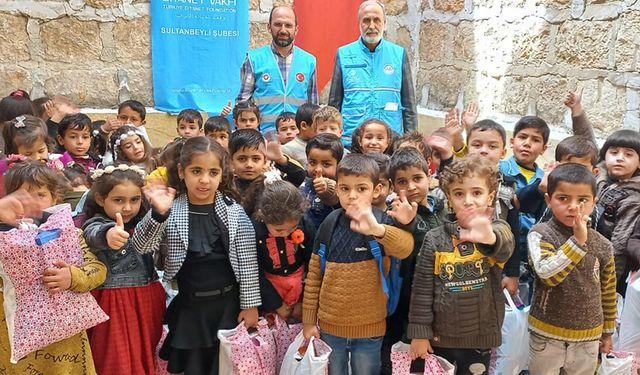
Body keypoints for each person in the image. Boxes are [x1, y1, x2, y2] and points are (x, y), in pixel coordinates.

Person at [133, 136, 261, 374]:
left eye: (213, 172)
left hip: (228, 307)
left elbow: (247, 263)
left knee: (223, 367)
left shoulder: (234, 213)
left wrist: (250, 305)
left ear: (222, 174)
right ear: (182, 172)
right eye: (196, 171)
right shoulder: (170, 209)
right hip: (190, 308)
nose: (204, 180)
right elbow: (141, 247)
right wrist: (159, 214)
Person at [302, 153, 414, 375]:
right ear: (337, 189)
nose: (352, 196)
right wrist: (308, 322)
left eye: (361, 188)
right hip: (330, 326)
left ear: (377, 190)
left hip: (370, 326)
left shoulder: (382, 221)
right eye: (345, 188)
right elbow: (314, 276)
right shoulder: (329, 223)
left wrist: (377, 230)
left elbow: (405, 248)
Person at [408, 155, 514, 375]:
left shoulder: (497, 231)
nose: (468, 200)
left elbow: (504, 245)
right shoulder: (435, 238)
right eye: (459, 193)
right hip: (439, 338)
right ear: (449, 198)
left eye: (476, 193)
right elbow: (422, 291)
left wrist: (488, 237)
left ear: (490, 197)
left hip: (479, 339)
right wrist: (419, 333)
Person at [0, 161, 106, 374]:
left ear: (55, 197)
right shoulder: (2, 238)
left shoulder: (70, 233)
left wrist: (72, 276)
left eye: (40, 195)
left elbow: (98, 269)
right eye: (22, 196)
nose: (31, 203)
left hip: (66, 338)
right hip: (11, 335)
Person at [527, 163, 616, 374]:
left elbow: (608, 291)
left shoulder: (603, 245)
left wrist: (608, 332)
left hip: (588, 338)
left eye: (582, 200)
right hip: (546, 334)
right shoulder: (541, 234)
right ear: (549, 200)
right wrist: (577, 241)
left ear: (594, 203)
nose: (573, 206)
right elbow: (548, 275)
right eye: (563, 198)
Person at [82, 164, 166, 375]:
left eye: (134, 200)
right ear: (101, 199)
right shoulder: (95, 223)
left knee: (146, 352)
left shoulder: (142, 222)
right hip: (113, 302)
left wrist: (159, 213)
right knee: (116, 359)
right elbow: (94, 234)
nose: (127, 207)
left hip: (147, 297)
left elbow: (149, 241)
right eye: (118, 200)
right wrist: (109, 235)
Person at [381, 147, 445, 374]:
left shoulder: (442, 208)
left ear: (429, 174)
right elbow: (414, 250)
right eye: (402, 182)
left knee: (430, 358)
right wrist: (408, 224)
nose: (411, 187)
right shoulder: (393, 213)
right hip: (404, 298)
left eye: (417, 178)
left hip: (437, 297)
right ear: (392, 185)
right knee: (400, 356)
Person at [328, 0, 417, 146]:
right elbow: (334, 104)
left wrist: (410, 142)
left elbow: (409, 104)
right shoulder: (344, 54)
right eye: (366, 20)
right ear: (359, 24)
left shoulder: (398, 54)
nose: (371, 26)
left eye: (377, 20)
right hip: (352, 140)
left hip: (390, 141)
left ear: (385, 23)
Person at [236, 5, 318, 133]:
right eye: (278, 24)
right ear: (269, 27)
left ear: (296, 29)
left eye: (288, 25)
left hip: (296, 138)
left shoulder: (309, 61)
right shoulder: (254, 59)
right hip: (263, 137)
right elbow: (242, 103)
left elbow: (313, 107)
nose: (283, 30)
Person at [242, 178, 315, 321]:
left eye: (293, 228)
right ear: (262, 215)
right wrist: (277, 305)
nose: (286, 234)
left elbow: (312, 262)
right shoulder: (252, 229)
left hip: (300, 285)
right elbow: (254, 272)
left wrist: (303, 300)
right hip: (269, 289)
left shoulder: (305, 223)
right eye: (279, 230)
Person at [595, 129, 640, 294]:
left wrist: (608, 283)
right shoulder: (600, 175)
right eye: (614, 152)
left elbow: (620, 243)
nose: (619, 158)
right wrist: (576, 110)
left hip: (606, 266)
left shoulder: (633, 198)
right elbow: (585, 140)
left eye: (628, 155)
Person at [229, 128, 306, 194]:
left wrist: (281, 160)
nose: (249, 165)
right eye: (242, 159)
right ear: (231, 161)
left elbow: (299, 176)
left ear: (264, 160)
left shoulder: (271, 184)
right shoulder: (228, 188)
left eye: (256, 159)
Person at [301, 133, 344, 230]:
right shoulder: (304, 182)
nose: (318, 169)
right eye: (313, 163)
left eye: (326, 164)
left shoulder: (342, 187)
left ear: (339, 165)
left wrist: (327, 189)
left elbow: (335, 198)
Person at [282, 102, 319, 167]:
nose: (324, 131)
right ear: (304, 125)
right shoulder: (288, 149)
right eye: (319, 126)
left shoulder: (324, 144)